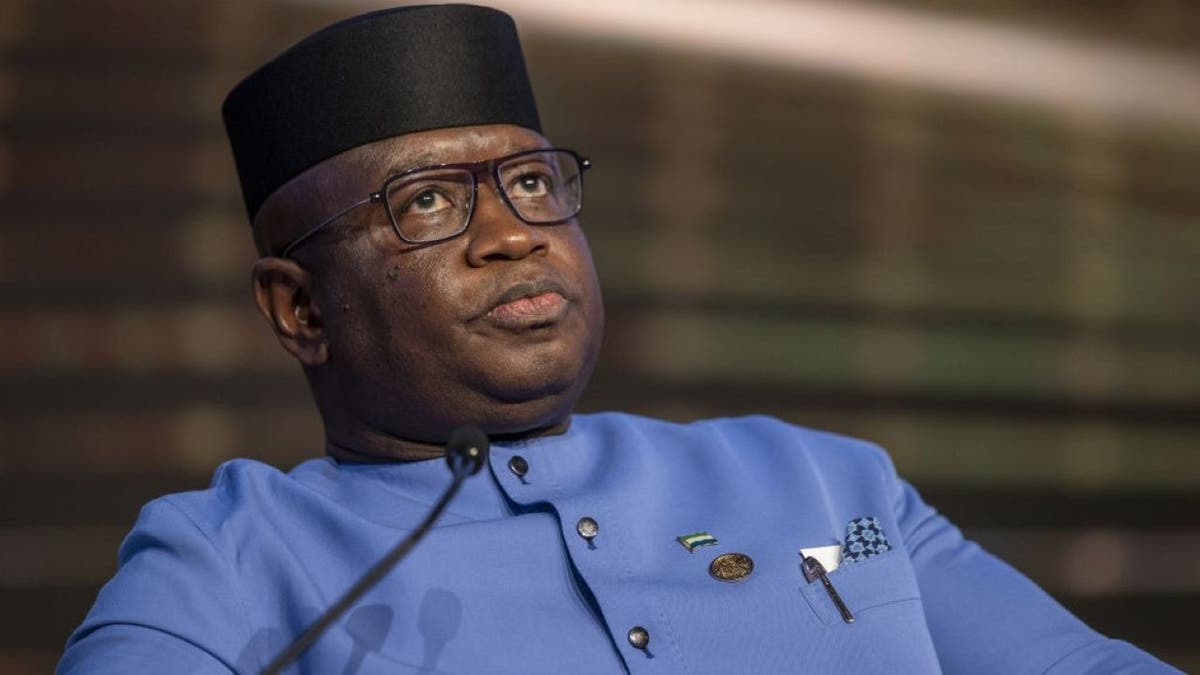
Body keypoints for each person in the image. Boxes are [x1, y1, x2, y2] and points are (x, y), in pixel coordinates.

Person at [59, 5, 1178, 674]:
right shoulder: (232, 555)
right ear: (300, 309)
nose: (513, 236)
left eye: (533, 182)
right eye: (431, 206)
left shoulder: (829, 490)